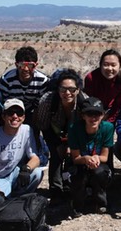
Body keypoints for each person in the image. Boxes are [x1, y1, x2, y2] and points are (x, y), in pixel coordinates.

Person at [36, 69, 85, 201]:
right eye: (63, 89)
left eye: (72, 89)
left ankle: (72, 188)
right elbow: (43, 126)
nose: (67, 93)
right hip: (53, 131)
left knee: (73, 157)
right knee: (57, 156)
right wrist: (57, 144)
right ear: (57, 89)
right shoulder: (47, 101)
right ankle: (56, 190)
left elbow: (86, 127)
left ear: (78, 90)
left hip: (77, 134)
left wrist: (72, 145)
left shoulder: (84, 103)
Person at [0, 99, 43, 197]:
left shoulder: (26, 130)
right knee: (0, 200)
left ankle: (20, 197)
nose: (15, 116)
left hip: (13, 173)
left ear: (23, 117)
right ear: (3, 116)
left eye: (19, 113)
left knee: (37, 173)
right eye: (10, 113)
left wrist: (26, 169)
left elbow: (35, 158)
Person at [66, 97, 113, 217]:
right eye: (89, 114)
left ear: (102, 115)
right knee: (77, 175)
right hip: (80, 162)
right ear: (83, 116)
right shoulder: (74, 128)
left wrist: (96, 158)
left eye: (97, 114)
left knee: (100, 172)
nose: (93, 118)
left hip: (97, 162)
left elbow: (105, 157)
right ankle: (77, 204)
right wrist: (86, 159)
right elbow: (75, 158)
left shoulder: (107, 128)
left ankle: (100, 202)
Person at [0, 46, 49, 128]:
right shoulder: (6, 81)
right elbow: (2, 103)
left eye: (30, 66)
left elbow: (38, 106)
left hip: (30, 112)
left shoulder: (42, 82)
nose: (26, 69)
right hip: (10, 111)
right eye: (22, 65)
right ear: (16, 65)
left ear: (36, 65)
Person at [84, 49, 121, 125]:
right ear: (100, 65)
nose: (109, 68)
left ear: (120, 66)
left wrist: (109, 119)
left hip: (110, 113)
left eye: (113, 65)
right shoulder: (91, 78)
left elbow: (118, 105)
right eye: (106, 64)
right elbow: (89, 100)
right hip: (92, 112)